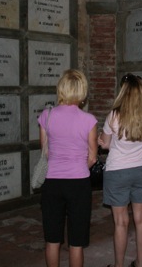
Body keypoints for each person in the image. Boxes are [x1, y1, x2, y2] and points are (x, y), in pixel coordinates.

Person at [37, 69, 98, 267]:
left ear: (61, 88)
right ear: (82, 92)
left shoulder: (46, 116)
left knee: (52, 240)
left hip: (52, 183)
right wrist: (78, 166)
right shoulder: (89, 120)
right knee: (76, 243)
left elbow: (45, 152)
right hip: (78, 183)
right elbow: (93, 157)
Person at [98, 73, 142, 267]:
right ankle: (139, 264)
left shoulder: (114, 115)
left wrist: (103, 141)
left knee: (121, 223)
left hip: (118, 172)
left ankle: (119, 265)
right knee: (141, 220)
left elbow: (105, 144)